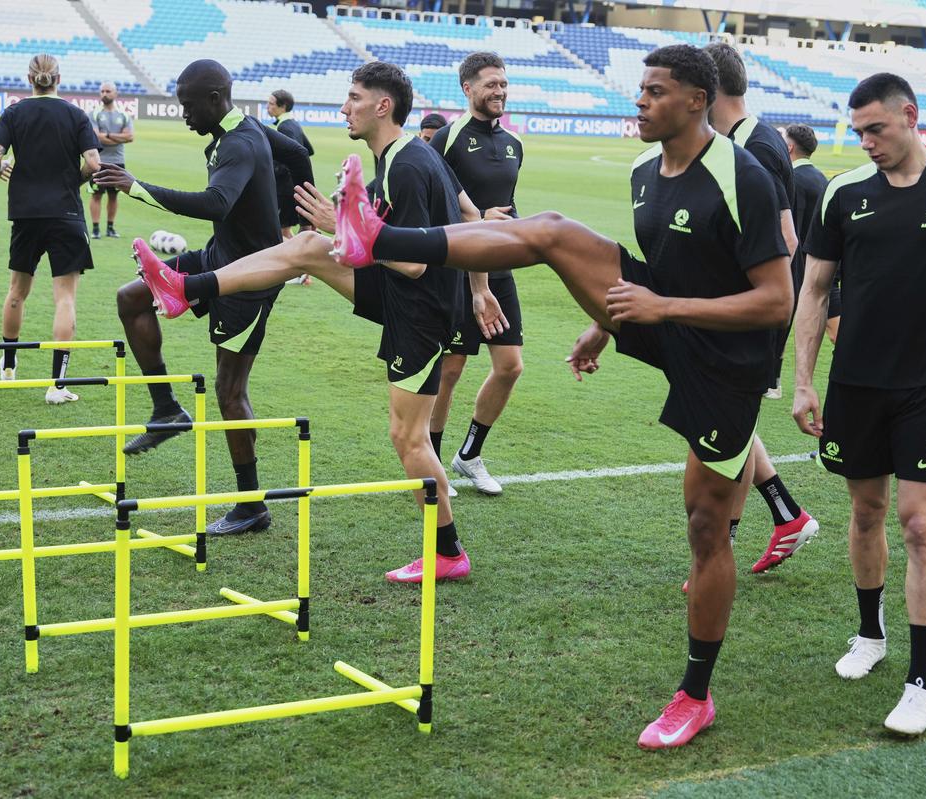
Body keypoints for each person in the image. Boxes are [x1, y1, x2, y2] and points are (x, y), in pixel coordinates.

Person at [140, 46, 792, 746]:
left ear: (697, 100)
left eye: (655, 92)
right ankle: (304, 256)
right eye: (639, 88)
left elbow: (775, 300)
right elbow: (660, 267)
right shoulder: (643, 172)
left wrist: (662, 312)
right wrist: (605, 327)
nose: (639, 101)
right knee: (546, 228)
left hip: (727, 360)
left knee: (703, 524)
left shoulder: (741, 176)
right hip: (656, 321)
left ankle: (697, 692)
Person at [131, 61, 497, 584]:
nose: (343, 107)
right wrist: (343, 228)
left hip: (418, 311)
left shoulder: (409, 165)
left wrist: (348, 227)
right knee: (303, 246)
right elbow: (461, 221)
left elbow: (414, 262)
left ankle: (447, 553)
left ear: (382, 106)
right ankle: (186, 288)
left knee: (407, 438)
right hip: (404, 294)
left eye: (352, 98)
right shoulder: (401, 157)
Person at [793, 73, 926, 736]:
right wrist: (804, 379)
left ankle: (921, 679)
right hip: (855, 384)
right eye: (857, 131)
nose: (865, 143)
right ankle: (870, 633)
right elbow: (814, 290)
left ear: (909, 116)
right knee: (866, 512)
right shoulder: (841, 194)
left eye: (876, 130)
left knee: (920, 527)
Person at [92, 59, 313, 536]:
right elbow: (298, 155)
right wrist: (300, 216)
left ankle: (251, 504)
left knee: (230, 391)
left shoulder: (239, 141)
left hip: (249, 278)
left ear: (215, 100)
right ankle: (167, 410)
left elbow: (216, 203)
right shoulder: (243, 127)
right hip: (219, 256)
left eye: (188, 105)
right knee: (131, 298)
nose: (184, 114)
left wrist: (137, 188)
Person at [702, 42, 817, 576]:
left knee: (725, 420)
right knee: (731, 420)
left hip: (753, 315)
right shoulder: (741, 139)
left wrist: (740, 305)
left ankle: (720, 547)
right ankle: (786, 515)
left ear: (706, 89)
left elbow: (786, 240)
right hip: (739, 312)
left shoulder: (756, 144)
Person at [426, 52, 525, 496]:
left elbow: (508, 209)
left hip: (499, 271)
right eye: (490, 84)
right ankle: (429, 465)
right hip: (457, 274)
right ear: (467, 88)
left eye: (503, 83)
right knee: (450, 371)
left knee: (510, 366)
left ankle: (468, 455)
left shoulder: (513, 144)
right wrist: (476, 218)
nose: (499, 91)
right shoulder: (445, 139)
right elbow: (429, 201)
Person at [0, 53, 100, 404]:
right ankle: (57, 386)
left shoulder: (15, 112)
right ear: (59, 78)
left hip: (26, 214)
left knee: (17, 291)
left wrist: (1, 165)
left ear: (29, 78)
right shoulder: (76, 114)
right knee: (64, 298)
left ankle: (8, 366)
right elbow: (94, 163)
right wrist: (73, 180)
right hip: (65, 213)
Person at [782, 124, 840, 344]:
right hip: (824, 267)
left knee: (838, 335)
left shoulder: (793, 181)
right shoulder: (819, 176)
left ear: (788, 148)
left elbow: (792, 233)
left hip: (808, 272)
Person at [266, 89, 315, 240]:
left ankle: (301, 260)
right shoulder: (293, 123)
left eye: (271, 103)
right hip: (291, 187)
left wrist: (272, 169)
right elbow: (308, 150)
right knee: (285, 231)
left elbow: (298, 154)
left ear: (283, 106)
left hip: (285, 189)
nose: (268, 106)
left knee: (279, 233)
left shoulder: (284, 127)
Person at [89, 81, 133, 240]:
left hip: (117, 161)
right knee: (96, 195)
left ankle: (110, 228)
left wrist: (106, 136)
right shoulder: (94, 114)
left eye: (108, 91)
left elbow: (130, 137)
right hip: (98, 161)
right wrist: (118, 138)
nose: (104, 94)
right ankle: (95, 229)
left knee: (114, 196)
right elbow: (96, 137)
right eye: (102, 91)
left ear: (115, 94)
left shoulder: (124, 115)